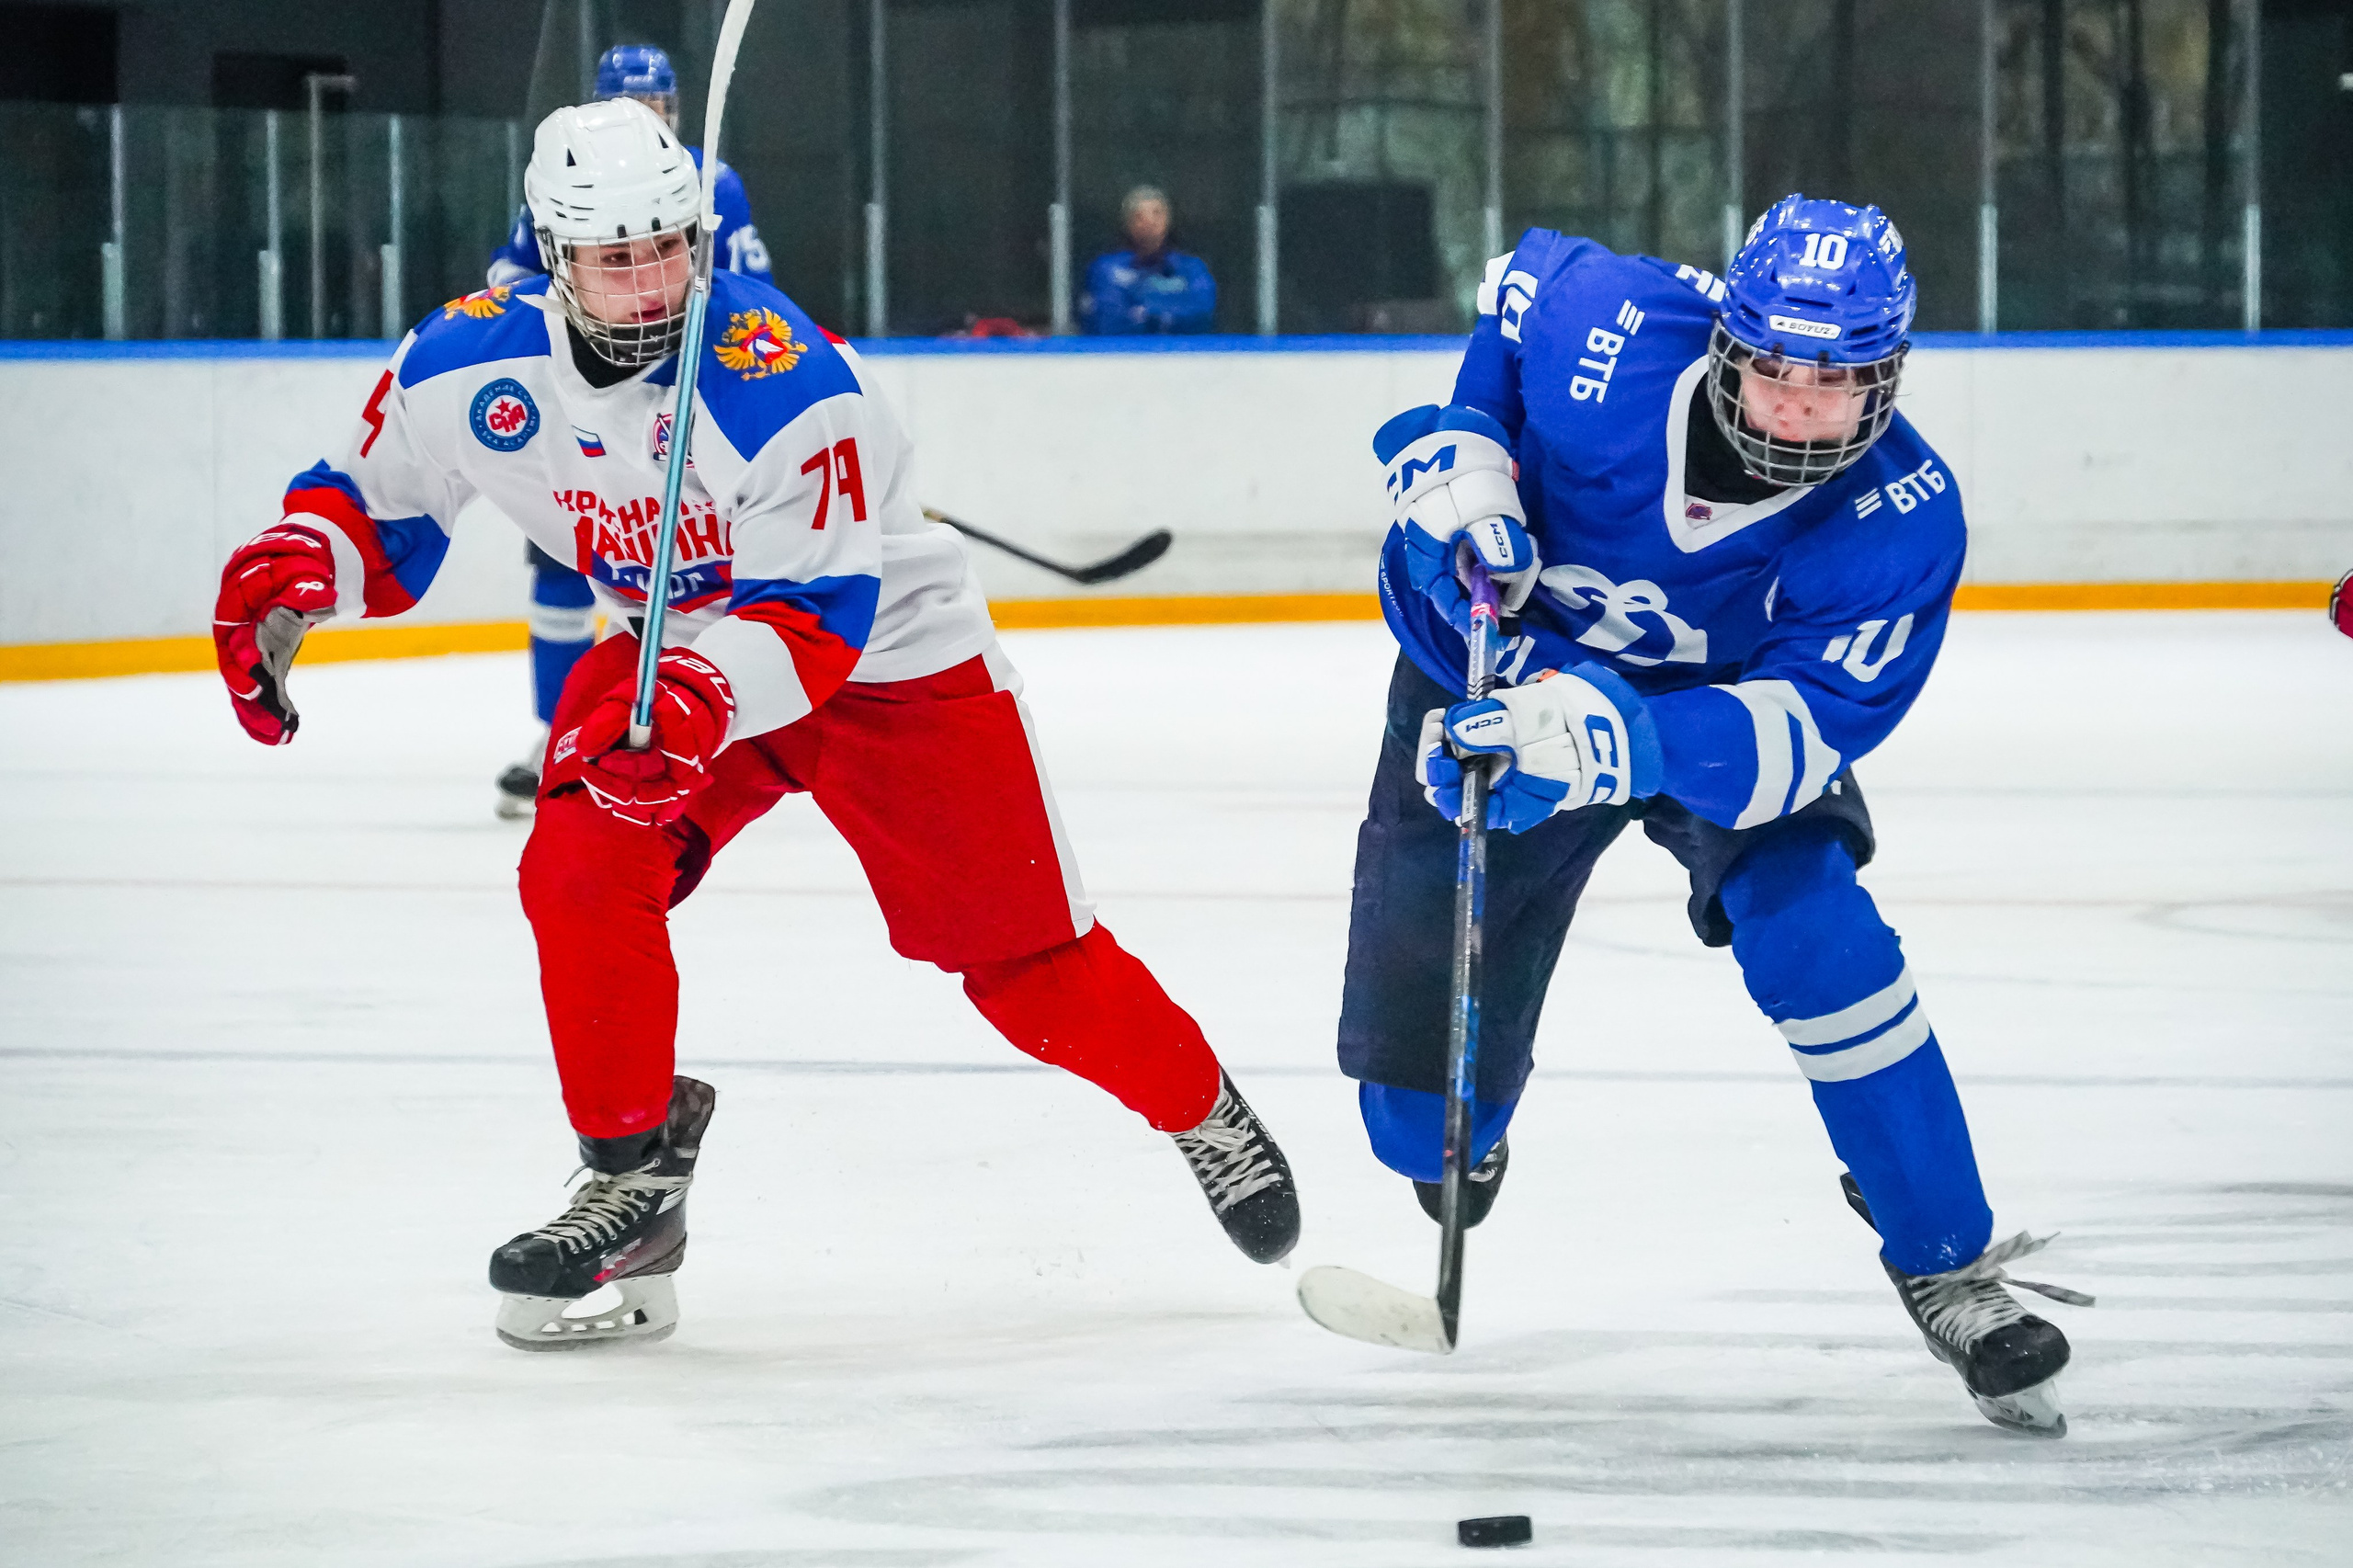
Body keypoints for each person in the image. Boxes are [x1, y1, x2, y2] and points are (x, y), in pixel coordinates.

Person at [210, 98, 1299, 1351]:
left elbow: (818, 617)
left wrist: (691, 693)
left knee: (1025, 974)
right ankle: (633, 1176)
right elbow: (376, 505)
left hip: (889, 669)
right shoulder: (466, 366)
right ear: (553, 258)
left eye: (669, 246)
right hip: (677, 666)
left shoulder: (784, 381)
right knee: (578, 867)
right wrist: (304, 566)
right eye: (617, 258)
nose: (652, 279)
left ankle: (1199, 1107)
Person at [1343, 196, 2091, 1434]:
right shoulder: (1611, 324)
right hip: (1505, 685)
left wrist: (1622, 737)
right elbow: (1509, 314)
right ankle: (1453, 1146)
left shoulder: (1901, 521)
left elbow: (1799, 739)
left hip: (1716, 726)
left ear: (1890, 377)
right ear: (1726, 340)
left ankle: (1945, 1257)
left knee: (1821, 933)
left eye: (1840, 380)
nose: (1801, 404)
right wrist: (1468, 452)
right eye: (1778, 368)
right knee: (1414, 1128)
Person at [487, 44, 775, 820]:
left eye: (662, 107)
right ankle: (555, 737)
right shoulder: (559, 181)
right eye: (638, 106)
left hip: (679, 413)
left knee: (704, 580)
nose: (654, 122)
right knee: (565, 572)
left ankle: (731, 735)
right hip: (581, 410)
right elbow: (509, 289)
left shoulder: (710, 182)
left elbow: (755, 296)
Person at [1078, 186, 1217, 335]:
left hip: (1181, 355)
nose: (1149, 222)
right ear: (1128, 224)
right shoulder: (1106, 269)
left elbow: (1203, 311)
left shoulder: (1191, 268)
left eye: (1156, 214)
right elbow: (1108, 320)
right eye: (1139, 216)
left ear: (1167, 221)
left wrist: (1149, 312)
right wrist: (1172, 308)